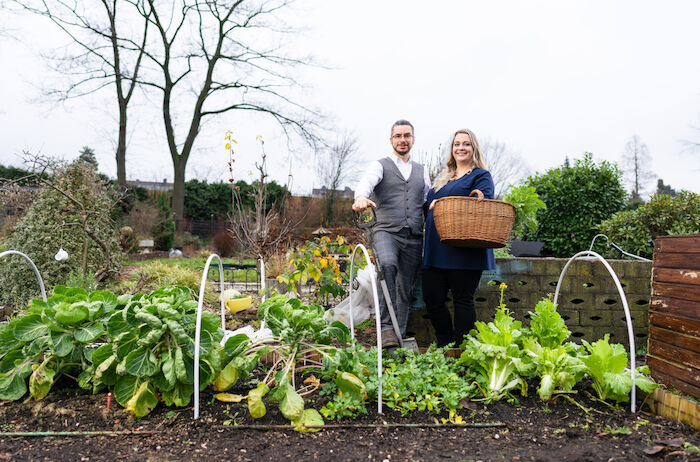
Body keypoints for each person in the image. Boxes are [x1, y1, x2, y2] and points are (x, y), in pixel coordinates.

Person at [352, 120, 431, 348]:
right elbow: (366, 184)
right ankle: (386, 328)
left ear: (413, 139)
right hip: (386, 231)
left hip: (414, 235)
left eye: (407, 135)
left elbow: (427, 201)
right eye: (398, 136)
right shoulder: (380, 165)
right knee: (386, 265)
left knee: (405, 288)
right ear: (391, 140)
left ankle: (397, 336)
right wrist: (360, 198)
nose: (403, 140)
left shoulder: (422, 171)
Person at [422, 128, 495, 348]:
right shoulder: (443, 177)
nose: (460, 148)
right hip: (436, 247)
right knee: (432, 298)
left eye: (466, 144)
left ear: (474, 148)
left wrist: (444, 205)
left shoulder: (481, 176)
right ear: (452, 149)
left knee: (463, 300)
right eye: (456, 144)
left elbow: (483, 203)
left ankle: (460, 348)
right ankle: (446, 344)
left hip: (464, 248)